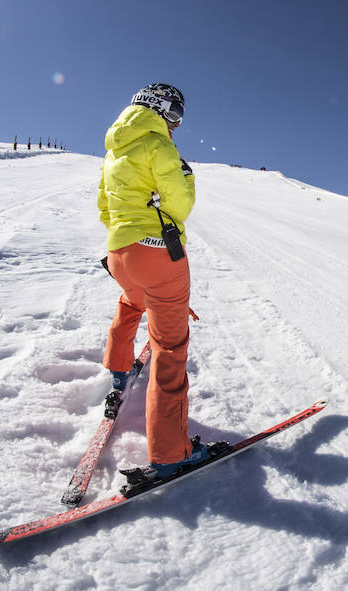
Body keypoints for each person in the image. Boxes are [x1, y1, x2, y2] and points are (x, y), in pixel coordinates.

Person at [97, 83, 212, 481]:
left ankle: (118, 370)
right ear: (158, 109)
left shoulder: (114, 152)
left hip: (120, 254)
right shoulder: (160, 146)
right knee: (170, 347)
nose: (177, 125)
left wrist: (124, 239)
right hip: (159, 253)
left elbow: (103, 207)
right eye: (176, 116)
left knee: (131, 303)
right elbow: (180, 205)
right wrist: (187, 177)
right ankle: (170, 452)